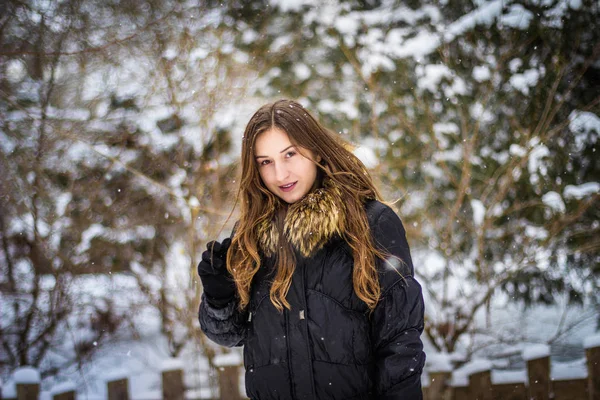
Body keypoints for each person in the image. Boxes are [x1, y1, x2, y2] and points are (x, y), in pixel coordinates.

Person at [198, 99, 426, 400]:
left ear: (316, 149)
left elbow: (400, 342)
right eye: (265, 161)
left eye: (289, 154)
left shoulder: (370, 224)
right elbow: (230, 334)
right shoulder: (252, 236)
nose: (280, 174)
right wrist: (219, 297)